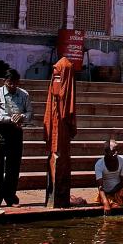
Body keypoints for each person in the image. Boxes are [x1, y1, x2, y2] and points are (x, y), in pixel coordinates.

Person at [0, 69, 32, 207]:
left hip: (16, 131)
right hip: (0, 131)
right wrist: (10, 119)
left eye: (15, 83)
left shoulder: (24, 94)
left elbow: (29, 112)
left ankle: (10, 197)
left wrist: (22, 117)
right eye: (10, 83)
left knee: (13, 165)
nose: (12, 86)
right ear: (5, 82)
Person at [43, 57, 78, 208]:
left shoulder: (67, 108)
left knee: (61, 158)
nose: (55, 80)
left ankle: (60, 197)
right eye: (54, 77)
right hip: (55, 127)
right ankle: (52, 198)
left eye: (58, 77)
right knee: (53, 156)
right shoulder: (52, 103)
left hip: (62, 132)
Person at [95, 138, 123, 217]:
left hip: (118, 190)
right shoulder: (99, 164)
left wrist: (115, 192)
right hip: (106, 193)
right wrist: (106, 203)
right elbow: (100, 187)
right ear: (106, 152)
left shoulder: (122, 160)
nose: (116, 153)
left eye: (117, 150)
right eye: (113, 151)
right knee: (112, 206)